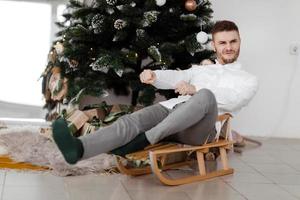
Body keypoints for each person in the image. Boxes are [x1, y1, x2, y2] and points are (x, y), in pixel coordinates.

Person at [52, 20, 258, 164]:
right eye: (223, 43)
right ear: (214, 45)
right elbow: (177, 77)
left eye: (233, 41)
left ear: (240, 41)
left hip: (199, 130)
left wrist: (196, 90)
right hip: (171, 113)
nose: (229, 47)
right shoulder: (201, 70)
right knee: (131, 121)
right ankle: (79, 149)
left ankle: (146, 140)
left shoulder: (248, 80)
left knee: (206, 96)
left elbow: (233, 100)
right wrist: (154, 76)